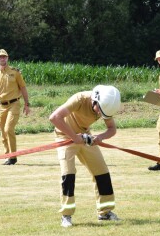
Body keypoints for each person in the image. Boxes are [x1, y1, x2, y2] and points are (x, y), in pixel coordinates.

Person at [49, 85, 122, 228]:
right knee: (68, 175)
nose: (101, 115)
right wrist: (74, 137)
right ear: (95, 100)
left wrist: (100, 137)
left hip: (85, 137)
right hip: (64, 137)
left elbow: (112, 129)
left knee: (102, 173)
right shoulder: (80, 99)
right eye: (99, 111)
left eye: (104, 114)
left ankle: (105, 212)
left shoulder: (106, 105)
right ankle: (66, 215)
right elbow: (54, 117)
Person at [0, 49, 30, 165]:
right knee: (2, 131)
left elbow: (23, 88)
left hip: (14, 104)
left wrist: (27, 104)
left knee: (8, 129)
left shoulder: (15, 72)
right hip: (1, 106)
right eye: (0, 57)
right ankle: (7, 155)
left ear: (7, 58)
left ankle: (13, 156)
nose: (2, 59)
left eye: (4, 57)